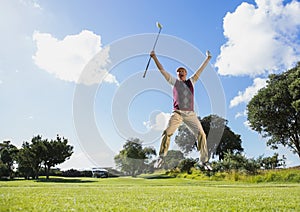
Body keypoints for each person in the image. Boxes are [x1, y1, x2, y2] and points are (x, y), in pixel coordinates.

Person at [150, 50, 212, 170]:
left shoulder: (191, 82)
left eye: (182, 71)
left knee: (201, 134)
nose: (180, 72)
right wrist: (154, 57)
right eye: (178, 71)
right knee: (167, 132)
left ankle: (204, 161)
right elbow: (162, 70)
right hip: (177, 113)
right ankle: (161, 157)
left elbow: (200, 70)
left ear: (186, 73)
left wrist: (208, 59)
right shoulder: (174, 82)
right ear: (177, 74)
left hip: (190, 114)